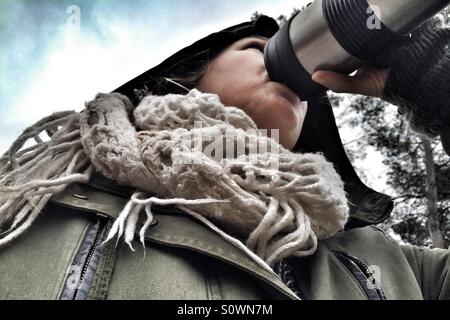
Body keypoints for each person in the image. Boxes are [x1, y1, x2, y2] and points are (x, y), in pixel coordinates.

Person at [0, 14, 449, 300]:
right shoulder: (37, 198)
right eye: (258, 48)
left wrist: (435, 82)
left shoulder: (389, 262)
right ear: (184, 74)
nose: (295, 74)